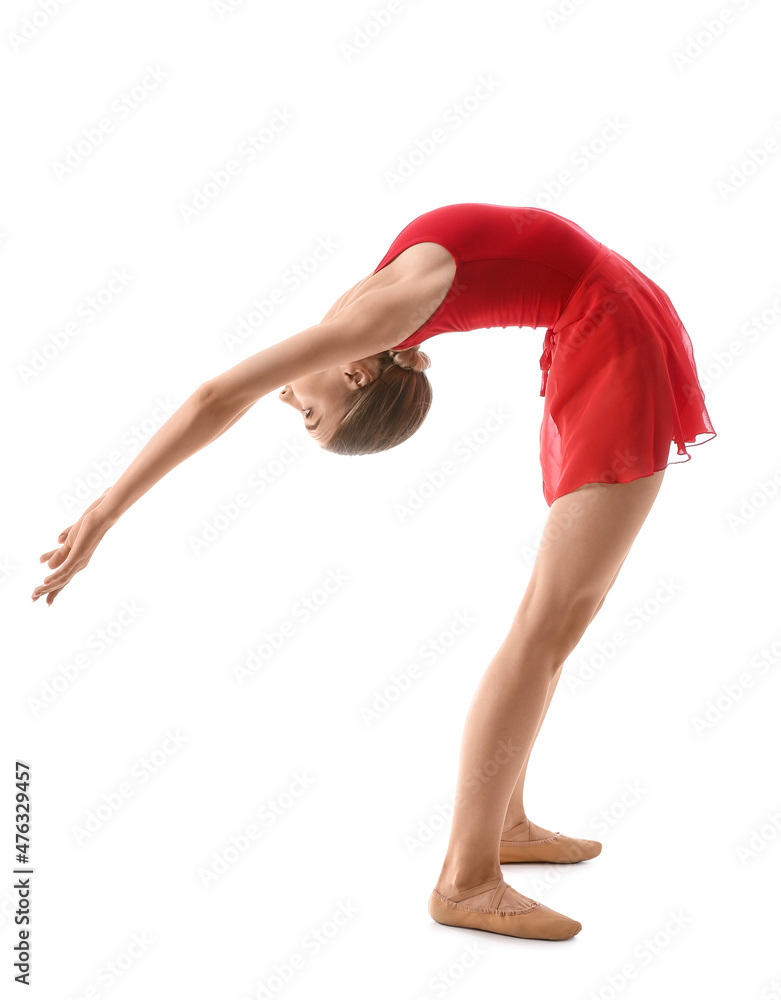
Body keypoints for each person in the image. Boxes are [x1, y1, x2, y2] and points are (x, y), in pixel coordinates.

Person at [31, 202, 717, 941]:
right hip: (603, 326)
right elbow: (232, 397)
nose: (289, 401)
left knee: (550, 621)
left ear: (359, 370)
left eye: (306, 419)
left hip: (613, 328)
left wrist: (103, 513)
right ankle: (484, 853)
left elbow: (217, 396)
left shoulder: (370, 320)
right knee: (552, 621)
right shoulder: (364, 318)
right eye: (306, 415)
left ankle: (479, 861)